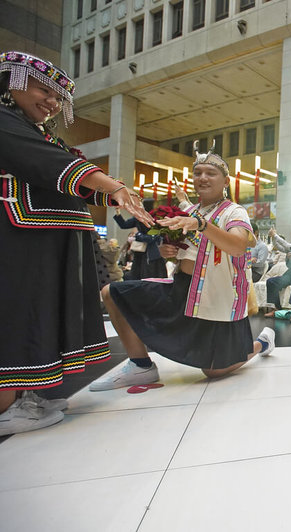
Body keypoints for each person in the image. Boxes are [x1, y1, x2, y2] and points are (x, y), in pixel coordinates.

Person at [0, 50, 152, 435]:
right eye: (43, 91)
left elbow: (72, 178)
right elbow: (49, 165)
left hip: (44, 242)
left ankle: (24, 397)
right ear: (12, 81)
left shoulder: (37, 132)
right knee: (19, 316)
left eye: (58, 98)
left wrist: (115, 194)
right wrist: (115, 187)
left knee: (39, 313)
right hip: (19, 240)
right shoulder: (5, 123)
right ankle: (7, 407)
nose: (52, 103)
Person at [89, 142, 275, 391]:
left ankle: (262, 343)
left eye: (211, 173)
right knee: (110, 293)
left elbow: (239, 246)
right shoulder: (193, 211)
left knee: (214, 370)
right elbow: (190, 254)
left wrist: (200, 225)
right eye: (198, 173)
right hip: (183, 290)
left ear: (226, 181)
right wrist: (171, 254)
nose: (203, 178)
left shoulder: (234, 212)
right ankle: (141, 365)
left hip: (214, 298)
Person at [113, 199, 168, 280]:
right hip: (143, 251)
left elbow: (156, 236)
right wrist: (117, 211)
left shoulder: (156, 218)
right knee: (141, 275)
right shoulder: (139, 217)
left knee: (149, 275)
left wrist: (139, 236)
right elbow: (123, 225)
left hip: (151, 252)